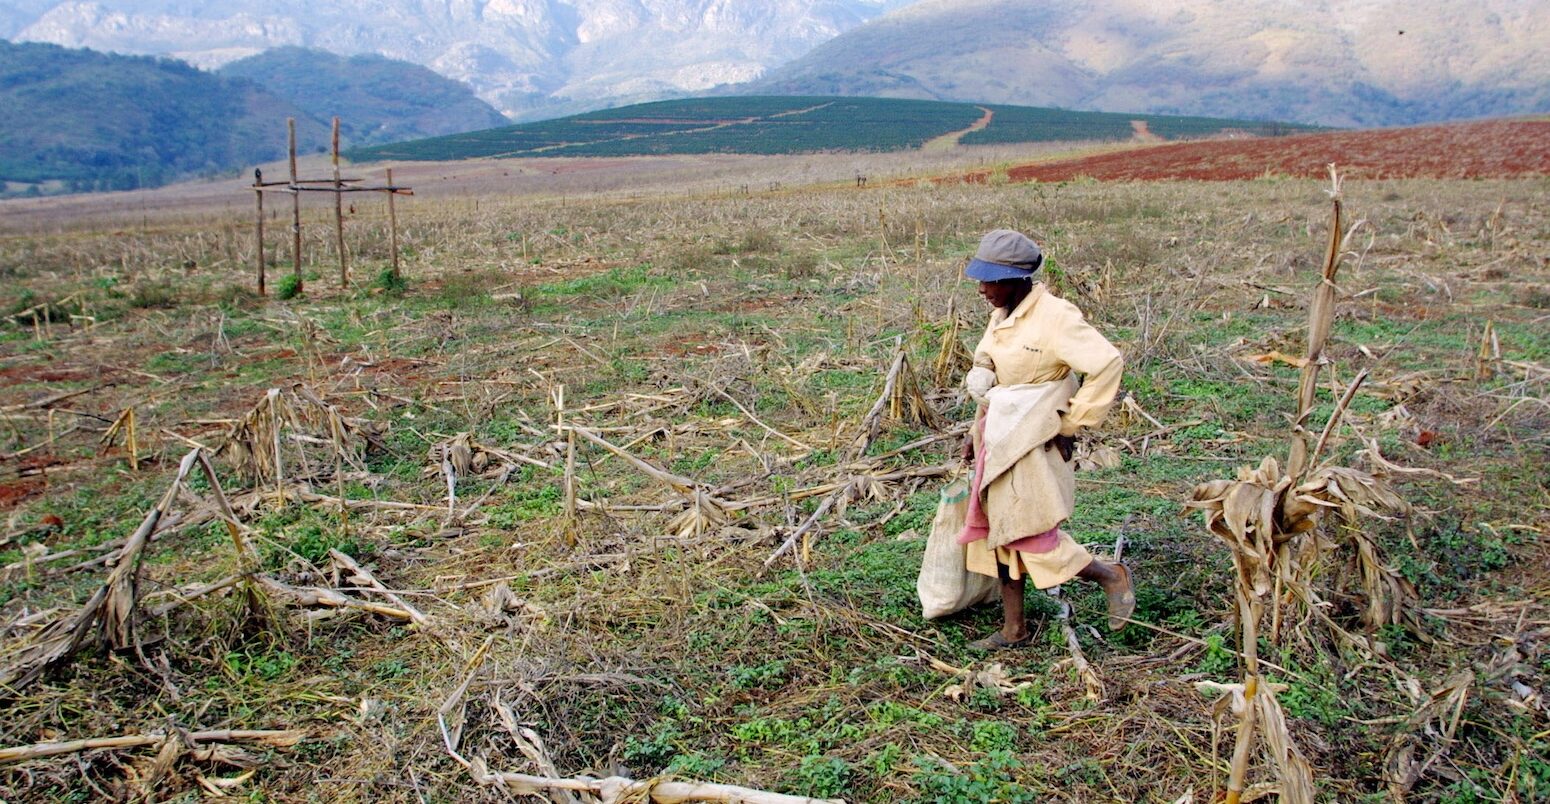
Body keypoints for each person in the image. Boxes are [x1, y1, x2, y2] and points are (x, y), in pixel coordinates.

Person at [956, 229, 1135, 650]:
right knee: (998, 532)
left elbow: (1106, 362)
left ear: (1019, 279)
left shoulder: (1056, 317)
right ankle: (1013, 628)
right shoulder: (1002, 311)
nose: (982, 289)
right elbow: (992, 359)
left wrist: (1072, 423)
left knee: (1029, 532)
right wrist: (974, 424)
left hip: (1033, 439)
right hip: (997, 436)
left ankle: (1109, 574)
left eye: (992, 280)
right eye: (981, 279)